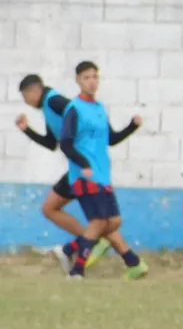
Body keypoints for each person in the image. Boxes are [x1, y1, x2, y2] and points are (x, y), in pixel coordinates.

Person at [58, 61, 148, 280]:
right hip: (84, 176)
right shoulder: (74, 109)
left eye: (95, 77)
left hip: (102, 174)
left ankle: (69, 249)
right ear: (78, 81)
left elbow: (111, 138)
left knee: (113, 221)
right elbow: (65, 144)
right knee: (99, 222)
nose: (92, 81)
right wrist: (84, 164)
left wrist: (132, 126)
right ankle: (77, 271)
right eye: (87, 77)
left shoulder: (99, 108)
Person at [15, 74, 111, 268]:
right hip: (80, 166)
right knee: (54, 209)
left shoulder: (53, 101)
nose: (26, 102)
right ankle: (96, 243)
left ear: (34, 91)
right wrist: (26, 129)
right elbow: (51, 143)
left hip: (85, 165)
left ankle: (93, 243)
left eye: (26, 97)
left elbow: (77, 110)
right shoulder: (47, 107)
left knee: (52, 209)